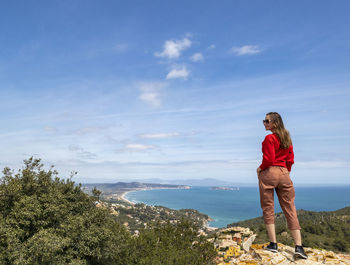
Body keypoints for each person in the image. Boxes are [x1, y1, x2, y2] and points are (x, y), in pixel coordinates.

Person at [256, 112, 308, 259]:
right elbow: (290, 159)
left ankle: (273, 244)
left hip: (269, 172)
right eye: (264, 121)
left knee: (268, 207)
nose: (264, 123)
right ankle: (299, 247)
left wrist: (260, 168)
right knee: (290, 208)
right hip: (284, 173)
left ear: (274, 123)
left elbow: (269, 159)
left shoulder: (269, 138)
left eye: (266, 121)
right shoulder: (287, 138)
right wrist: (285, 172)